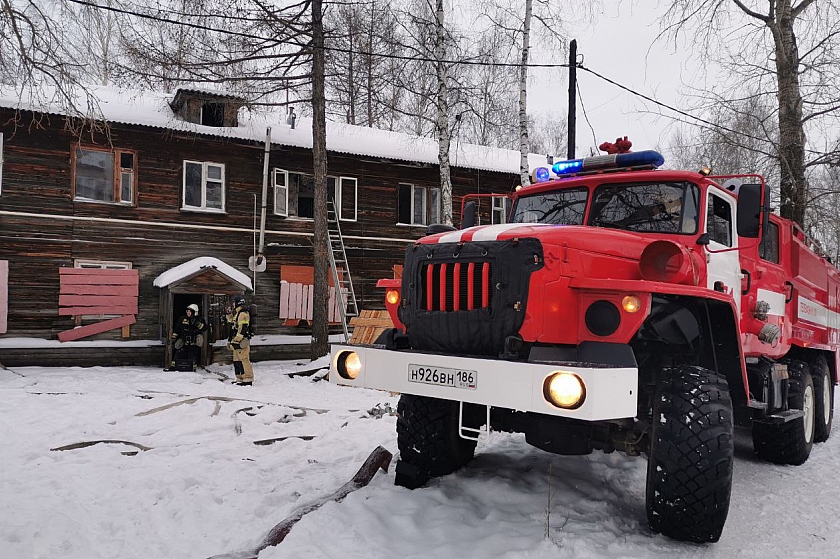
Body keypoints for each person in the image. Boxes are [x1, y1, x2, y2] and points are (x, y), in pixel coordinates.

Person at [226, 295, 254, 385]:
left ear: (238, 303)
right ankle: (240, 378)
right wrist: (229, 314)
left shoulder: (243, 314)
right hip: (236, 341)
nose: (233, 304)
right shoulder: (238, 313)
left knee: (244, 359)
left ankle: (248, 379)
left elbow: (243, 329)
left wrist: (236, 340)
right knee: (237, 360)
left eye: (234, 302)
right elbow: (233, 323)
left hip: (242, 341)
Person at [170, 303, 206, 371]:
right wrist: (173, 339)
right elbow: (177, 329)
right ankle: (174, 367)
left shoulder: (200, 320)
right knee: (178, 355)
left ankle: (192, 369)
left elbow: (205, 328)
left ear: (195, 312)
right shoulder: (182, 319)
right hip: (183, 342)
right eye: (187, 311)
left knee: (192, 357)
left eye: (190, 311)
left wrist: (197, 323)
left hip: (194, 343)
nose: (188, 313)